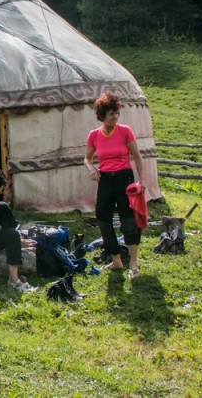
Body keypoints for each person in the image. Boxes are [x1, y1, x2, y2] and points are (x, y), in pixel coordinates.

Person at [84, 92, 146, 279]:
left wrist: (141, 180)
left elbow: (136, 156)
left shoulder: (125, 131)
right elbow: (87, 158)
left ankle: (133, 264)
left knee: (128, 220)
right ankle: (116, 260)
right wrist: (91, 168)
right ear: (102, 115)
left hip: (124, 179)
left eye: (116, 113)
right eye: (111, 113)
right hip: (105, 180)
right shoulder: (94, 135)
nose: (115, 117)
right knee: (103, 218)